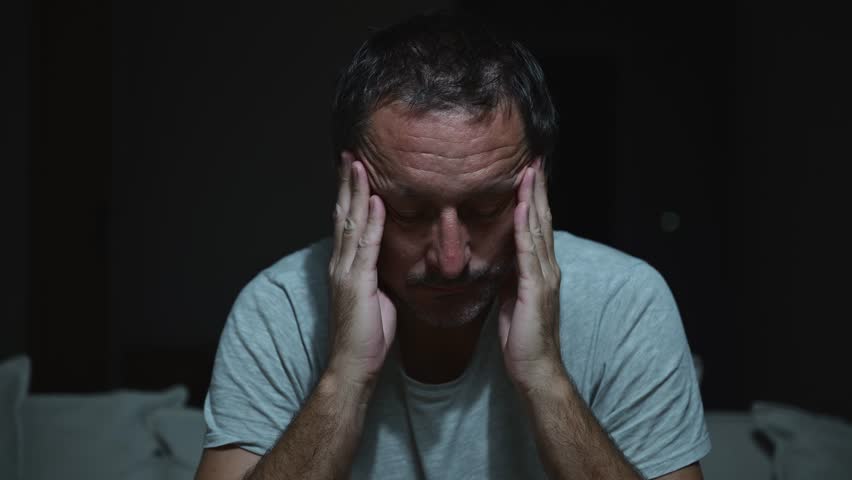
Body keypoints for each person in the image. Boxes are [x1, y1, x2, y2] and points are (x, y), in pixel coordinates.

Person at [194, 11, 710, 480]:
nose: (450, 259)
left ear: (540, 181)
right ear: (349, 187)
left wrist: (546, 378)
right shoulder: (278, 309)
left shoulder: (625, 301)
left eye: (486, 208)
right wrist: (345, 380)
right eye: (409, 211)